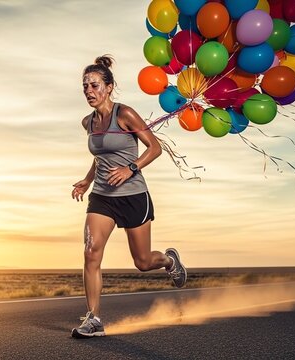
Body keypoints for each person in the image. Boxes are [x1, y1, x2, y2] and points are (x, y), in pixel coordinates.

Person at [70, 55, 187, 339]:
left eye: (95, 85)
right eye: (85, 86)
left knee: (143, 262)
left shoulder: (125, 114)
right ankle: (94, 318)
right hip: (102, 197)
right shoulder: (88, 122)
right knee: (90, 253)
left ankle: (169, 261)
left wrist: (130, 168)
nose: (89, 91)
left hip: (133, 196)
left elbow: (155, 148)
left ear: (109, 87)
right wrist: (87, 180)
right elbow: (100, 157)